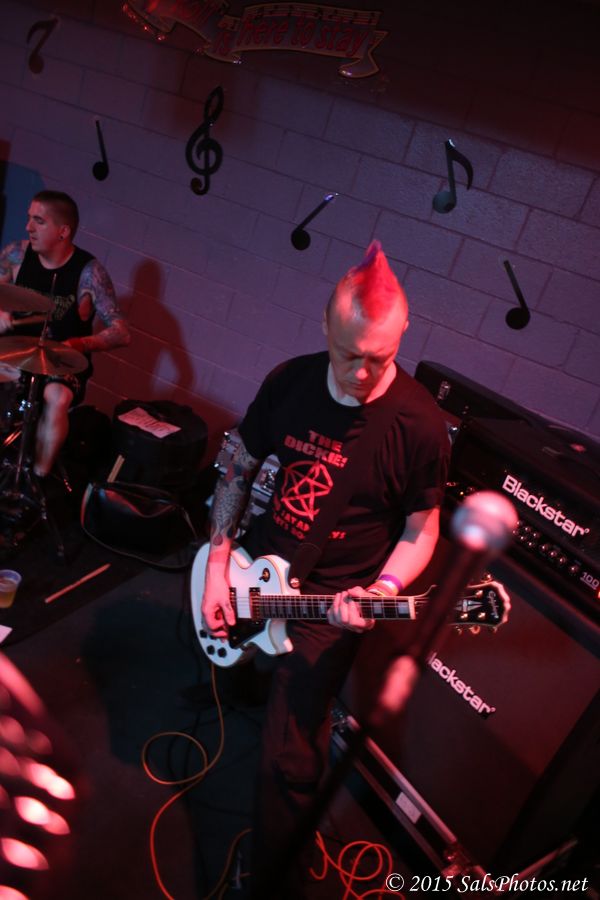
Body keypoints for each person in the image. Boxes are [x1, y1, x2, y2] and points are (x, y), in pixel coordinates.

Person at [201, 241, 450, 898]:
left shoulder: (419, 426)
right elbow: (238, 465)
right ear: (324, 328)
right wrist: (218, 563)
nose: (361, 374)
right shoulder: (290, 381)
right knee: (226, 655)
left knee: (288, 755)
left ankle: (273, 880)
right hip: (257, 565)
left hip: (333, 601)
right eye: (347, 355)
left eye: (379, 359)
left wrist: (383, 589)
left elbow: (423, 531)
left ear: (403, 335)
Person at [0, 190, 129, 477]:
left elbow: (121, 333)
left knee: (56, 398)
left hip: (60, 361)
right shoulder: (16, 254)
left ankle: (38, 478)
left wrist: (80, 344)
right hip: (15, 351)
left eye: (39, 221)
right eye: (29, 219)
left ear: (63, 231)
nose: (28, 227)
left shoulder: (89, 272)